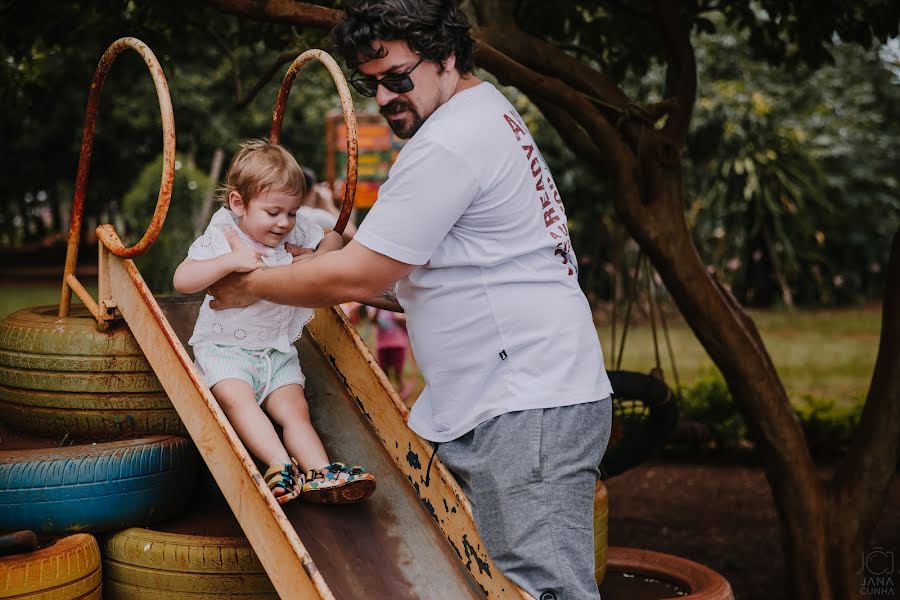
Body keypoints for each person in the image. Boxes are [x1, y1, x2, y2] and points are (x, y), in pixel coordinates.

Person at [208, 2, 613, 598]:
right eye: (372, 84)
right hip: (505, 396)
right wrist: (313, 259)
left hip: (529, 400)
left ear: (448, 55)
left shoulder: (451, 142)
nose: (384, 98)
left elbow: (361, 274)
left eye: (398, 78)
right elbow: (412, 275)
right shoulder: (482, 114)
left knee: (543, 590)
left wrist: (249, 283)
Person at [173, 139, 376, 506]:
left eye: (293, 212)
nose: (284, 223)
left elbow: (331, 236)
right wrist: (231, 262)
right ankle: (280, 465)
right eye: (273, 212)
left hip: (276, 350)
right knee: (237, 399)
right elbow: (183, 279)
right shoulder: (225, 233)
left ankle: (319, 472)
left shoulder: (293, 231)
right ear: (238, 204)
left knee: (295, 409)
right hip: (226, 348)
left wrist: (315, 259)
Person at [298, 166, 358, 244]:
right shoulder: (315, 216)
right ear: (313, 190)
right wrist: (329, 207)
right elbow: (352, 235)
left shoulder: (287, 215)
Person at [368, 306, 414, 401]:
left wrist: (397, 317)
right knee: (384, 374)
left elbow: (406, 320)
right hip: (382, 345)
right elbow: (372, 320)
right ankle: (385, 399)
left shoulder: (398, 301)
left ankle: (402, 402)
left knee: (398, 375)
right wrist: (377, 308)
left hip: (398, 344)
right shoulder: (373, 303)